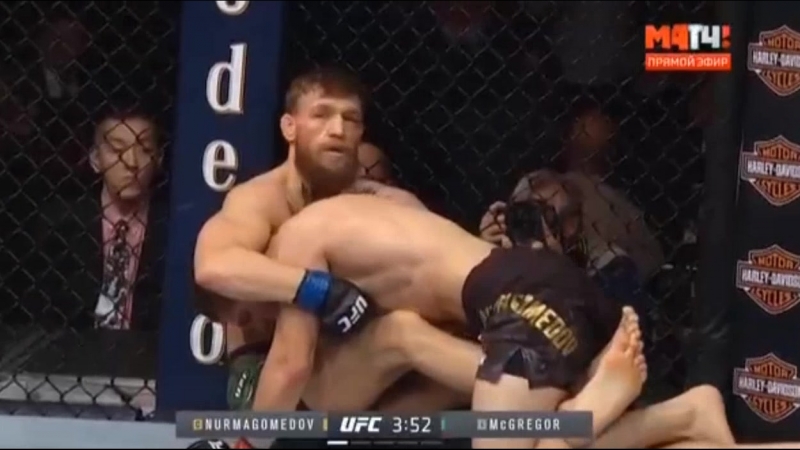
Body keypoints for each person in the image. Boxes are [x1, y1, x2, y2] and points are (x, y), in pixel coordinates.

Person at [203, 192, 632, 448]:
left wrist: (245, 443)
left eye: (250, 319)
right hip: (542, 288)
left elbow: (290, 367)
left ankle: (582, 406)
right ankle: (665, 413)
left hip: (519, 303)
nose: (267, 326)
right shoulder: (357, 210)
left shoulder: (294, 246)